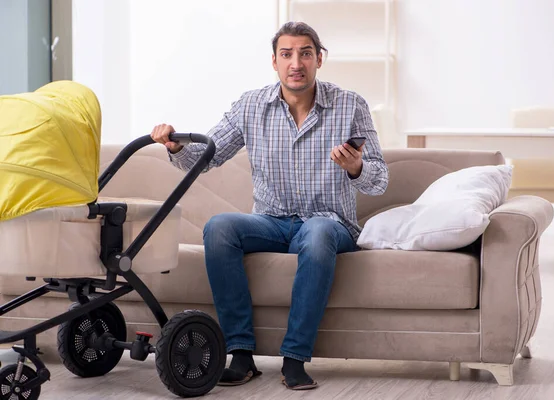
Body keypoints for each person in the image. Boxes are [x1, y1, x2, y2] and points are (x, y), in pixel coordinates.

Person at [151, 21, 389, 390]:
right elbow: (206, 157)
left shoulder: (350, 105)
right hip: (271, 222)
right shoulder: (251, 106)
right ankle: (241, 354)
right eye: (287, 54)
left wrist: (357, 168)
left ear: (319, 60)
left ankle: (294, 358)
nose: (297, 62)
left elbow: (379, 180)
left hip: (329, 223)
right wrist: (176, 145)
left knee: (318, 231)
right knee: (219, 228)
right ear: (274, 62)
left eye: (305, 53)